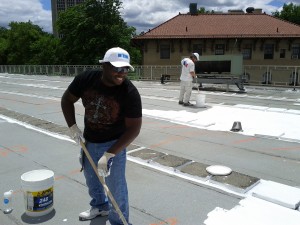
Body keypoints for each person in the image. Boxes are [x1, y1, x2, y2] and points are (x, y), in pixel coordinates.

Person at [61, 47, 142, 225]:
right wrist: (72, 127)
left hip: (115, 143)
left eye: (125, 69)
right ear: (104, 65)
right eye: (117, 68)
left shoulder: (129, 93)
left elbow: (134, 129)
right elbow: (67, 100)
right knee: (92, 179)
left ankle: (119, 221)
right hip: (90, 140)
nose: (122, 73)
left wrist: (110, 154)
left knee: (116, 187)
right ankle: (99, 206)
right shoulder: (86, 79)